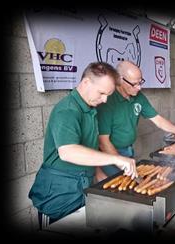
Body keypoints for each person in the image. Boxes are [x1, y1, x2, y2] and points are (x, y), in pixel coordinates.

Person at [28, 62, 138, 224]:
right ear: (86, 82)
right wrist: (116, 158)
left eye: (108, 94)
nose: (105, 100)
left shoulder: (90, 110)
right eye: (101, 93)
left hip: (81, 191)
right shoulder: (68, 110)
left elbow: (89, 149)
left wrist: (99, 173)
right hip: (59, 196)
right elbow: (68, 151)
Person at [95, 61, 175, 179]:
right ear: (120, 79)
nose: (139, 87)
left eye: (140, 82)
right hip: (109, 154)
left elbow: (157, 119)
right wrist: (120, 161)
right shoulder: (107, 101)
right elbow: (103, 141)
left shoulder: (138, 96)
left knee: (131, 182)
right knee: (117, 187)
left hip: (128, 150)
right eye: (134, 84)